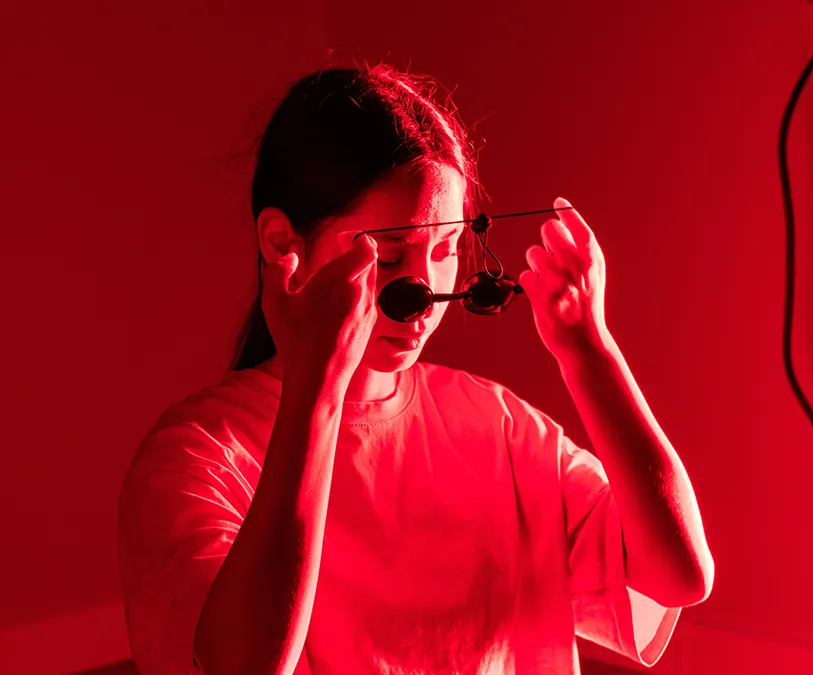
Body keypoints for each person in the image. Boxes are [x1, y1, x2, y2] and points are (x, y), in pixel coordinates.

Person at [116, 63, 713, 675]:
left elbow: (680, 576)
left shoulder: (500, 428)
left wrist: (590, 351)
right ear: (280, 244)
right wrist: (317, 390)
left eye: (446, 248)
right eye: (391, 256)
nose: (423, 294)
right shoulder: (195, 456)